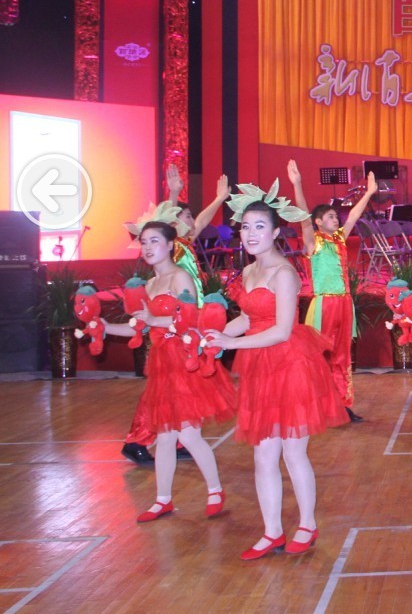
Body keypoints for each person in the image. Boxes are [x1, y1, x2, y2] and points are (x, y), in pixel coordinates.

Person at [203, 187, 346, 560]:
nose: (250, 234)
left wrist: (231, 344)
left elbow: (282, 330)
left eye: (259, 227)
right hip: (260, 367)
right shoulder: (249, 271)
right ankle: (272, 532)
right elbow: (248, 318)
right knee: (263, 456)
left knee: (293, 453)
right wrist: (215, 336)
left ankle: (307, 524)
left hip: (290, 365)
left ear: (276, 232)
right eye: (245, 227)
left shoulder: (284, 273)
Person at [101, 220, 235, 523]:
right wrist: (106, 327)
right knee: (163, 436)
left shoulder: (180, 277)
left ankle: (215, 490)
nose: (148, 247)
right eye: (143, 242)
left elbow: (191, 320)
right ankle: (162, 500)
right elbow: (139, 326)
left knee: (188, 434)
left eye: (154, 241)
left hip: (183, 360)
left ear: (171, 245)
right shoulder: (149, 285)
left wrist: (153, 320)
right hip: (162, 363)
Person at [122, 175, 230, 466]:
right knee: (163, 393)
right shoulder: (173, 248)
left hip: (187, 325)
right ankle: (138, 440)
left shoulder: (185, 243)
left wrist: (219, 199)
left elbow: (199, 222)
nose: (192, 220)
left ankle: (179, 440)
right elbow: (162, 222)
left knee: (181, 393)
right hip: (173, 328)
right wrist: (172, 194)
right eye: (187, 216)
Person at [287, 160, 379, 423]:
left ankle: (341, 405)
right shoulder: (312, 241)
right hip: (324, 304)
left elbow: (353, 216)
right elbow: (303, 217)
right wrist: (297, 185)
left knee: (342, 356)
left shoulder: (339, 239)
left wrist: (369, 193)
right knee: (321, 356)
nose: (335, 219)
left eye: (334, 216)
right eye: (329, 216)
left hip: (344, 304)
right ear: (318, 222)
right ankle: (317, 404)